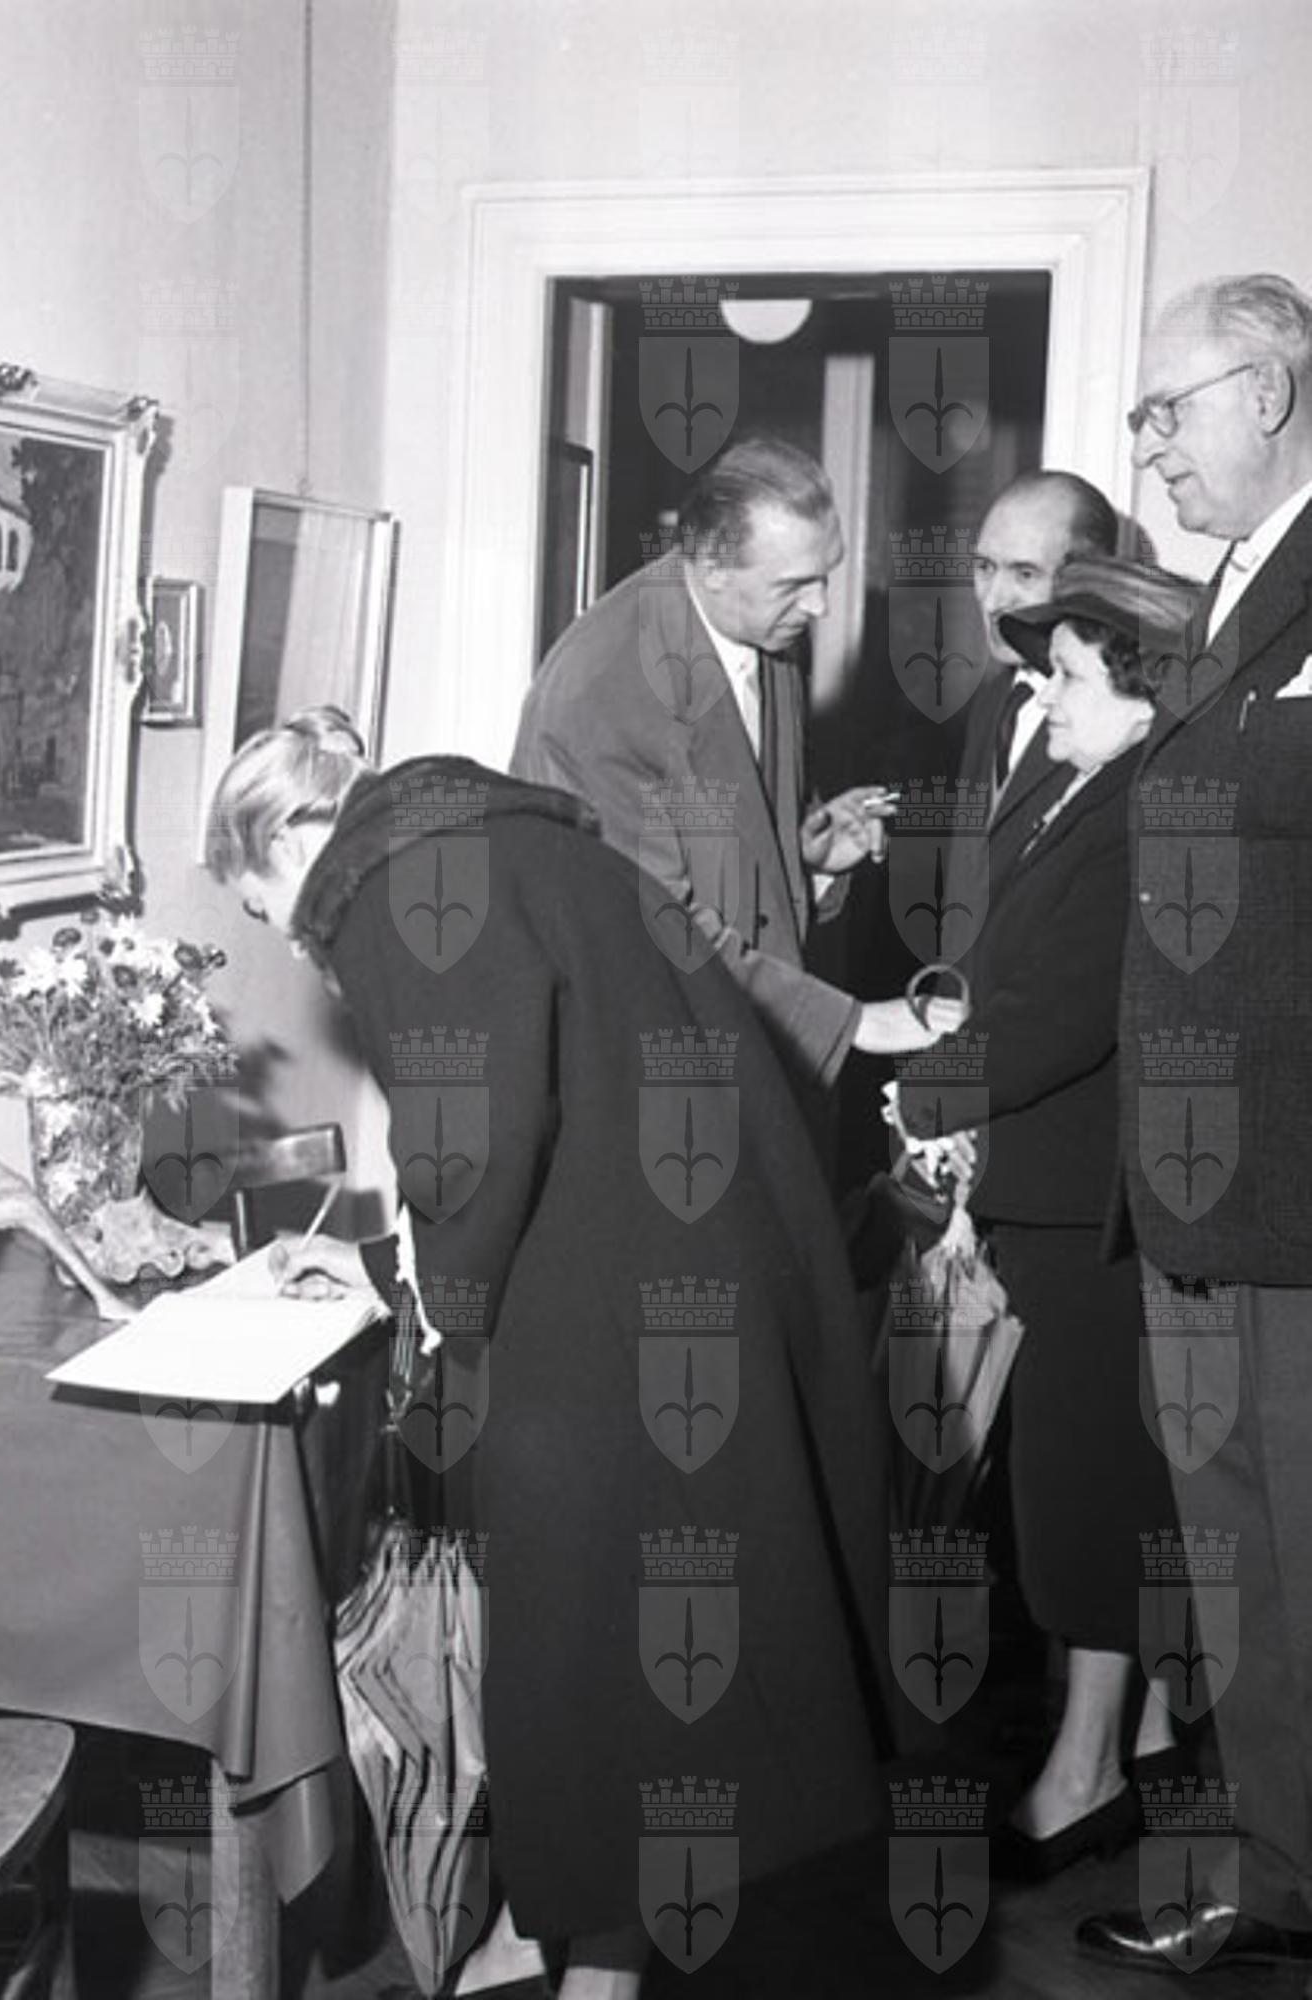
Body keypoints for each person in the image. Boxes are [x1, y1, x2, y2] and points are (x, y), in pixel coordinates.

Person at [209, 708, 919, 1998]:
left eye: (268, 909)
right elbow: (544, 1098)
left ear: (286, 843)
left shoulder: (389, 887)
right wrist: (387, 1267)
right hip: (689, 1276)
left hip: (619, 1326)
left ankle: (586, 1964)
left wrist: (423, 1305)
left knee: (583, 1661)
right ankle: (553, 1938)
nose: (295, 941)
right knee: (627, 1657)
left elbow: (470, 1143)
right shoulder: (496, 834)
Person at [892, 557, 1196, 1882]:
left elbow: (1059, 1012)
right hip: (1054, 1196)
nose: (1045, 693)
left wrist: (918, 1093)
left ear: (1140, 693)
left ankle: (1082, 1780)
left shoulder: (1135, 815)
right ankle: (1125, 1757)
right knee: (1086, 1491)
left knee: (1083, 1497)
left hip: (1092, 1213)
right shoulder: (1087, 792)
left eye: (1067, 674)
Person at [1079, 273, 1312, 1975]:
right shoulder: (1218, 603)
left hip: (1295, 1197)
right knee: (1239, 1579)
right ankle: (1279, 1885)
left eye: (1168, 408)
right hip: (1187, 1202)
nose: (1145, 445)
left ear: (1271, 395)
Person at [511, 435, 956, 1091]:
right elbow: (652, 929)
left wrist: (807, 859)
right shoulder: (603, 693)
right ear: (713, 566)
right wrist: (852, 1022)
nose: (820, 607)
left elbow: (735, 835)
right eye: (795, 585)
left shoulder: (757, 624)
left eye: (825, 575)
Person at [960, 470, 1121, 827]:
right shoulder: (992, 700)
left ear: (1091, 582)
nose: (992, 601)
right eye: (984, 567)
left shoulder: (1118, 719)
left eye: (1025, 574)